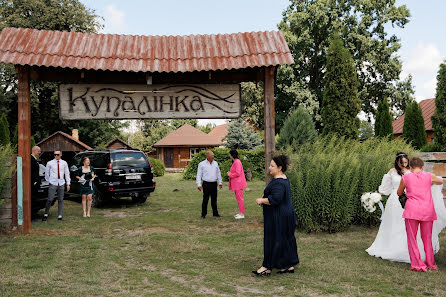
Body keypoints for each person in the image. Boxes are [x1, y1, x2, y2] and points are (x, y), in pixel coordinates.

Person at [366, 152, 446, 263]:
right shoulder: (392, 172)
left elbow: (421, 181)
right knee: (394, 224)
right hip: (395, 200)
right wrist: (378, 195)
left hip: (409, 199)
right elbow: (386, 188)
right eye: (401, 162)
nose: (404, 164)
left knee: (408, 228)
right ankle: (392, 247)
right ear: (397, 162)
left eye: (405, 162)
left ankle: (410, 251)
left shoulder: (411, 172)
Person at [254, 155, 299, 276]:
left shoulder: (279, 182)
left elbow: (276, 199)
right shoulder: (284, 178)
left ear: (279, 168)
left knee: (272, 239)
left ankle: (266, 267)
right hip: (287, 214)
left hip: (278, 216)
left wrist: (261, 200)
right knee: (285, 239)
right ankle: (288, 265)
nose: (269, 168)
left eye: (272, 166)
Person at [397, 157, 444, 271]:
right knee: (427, 238)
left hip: (412, 210)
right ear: (422, 167)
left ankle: (417, 264)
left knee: (412, 238)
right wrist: (429, 182)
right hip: (427, 210)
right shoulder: (428, 175)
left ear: (410, 167)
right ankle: (430, 263)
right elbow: (440, 181)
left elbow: (399, 192)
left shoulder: (405, 177)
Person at [42, 150, 70, 221]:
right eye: (54, 154)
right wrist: (49, 181)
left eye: (57, 154)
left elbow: (67, 173)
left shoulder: (64, 163)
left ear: (61, 154)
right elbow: (47, 173)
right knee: (50, 199)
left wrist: (68, 183)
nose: (56, 156)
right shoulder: (50, 163)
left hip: (61, 183)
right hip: (53, 183)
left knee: (60, 199)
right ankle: (46, 213)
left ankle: (60, 215)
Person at [196, 151, 223, 218]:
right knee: (205, 199)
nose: (213, 157)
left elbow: (218, 173)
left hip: (214, 183)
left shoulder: (216, 163)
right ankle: (203, 214)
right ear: (207, 156)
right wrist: (198, 184)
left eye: (213, 155)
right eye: (212, 156)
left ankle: (215, 213)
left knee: (214, 200)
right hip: (206, 184)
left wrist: (220, 182)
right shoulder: (201, 164)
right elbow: (199, 175)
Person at [227, 149, 247, 219]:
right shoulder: (235, 161)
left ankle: (242, 214)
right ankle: (240, 213)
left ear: (232, 155)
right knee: (238, 199)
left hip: (238, 183)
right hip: (237, 183)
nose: (229, 155)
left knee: (240, 199)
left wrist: (230, 174)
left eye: (229, 154)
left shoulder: (237, 162)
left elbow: (238, 173)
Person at [31, 146, 41, 220]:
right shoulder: (31, 159)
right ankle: (32, 217)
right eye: (38, 151)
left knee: (35, 200)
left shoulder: (34, 159)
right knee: (32, 200)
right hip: (32, 184)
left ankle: (34, 215)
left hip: (35, 184)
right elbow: (31, 172)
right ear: (34, 151)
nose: (39, 153)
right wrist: (34, 181)